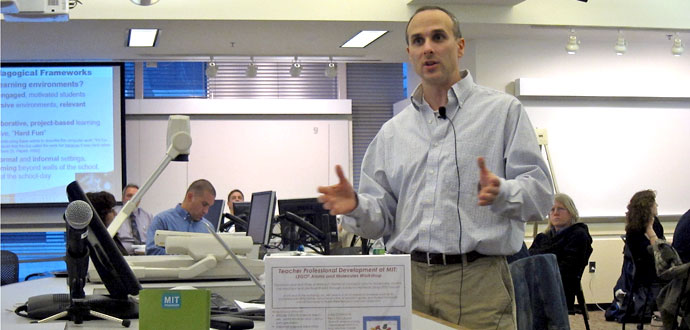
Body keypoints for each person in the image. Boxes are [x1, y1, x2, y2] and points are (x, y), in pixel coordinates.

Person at [317, 6, 553, 329]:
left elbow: (540, 196)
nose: (427, 47)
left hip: (478, 283)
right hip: (407, 281)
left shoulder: (503, 113)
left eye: (438, 37)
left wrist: (504, 192)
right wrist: (357, 207)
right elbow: (380, 219)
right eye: (418, 40)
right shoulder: (393, 132)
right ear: (410, 53)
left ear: (460, 46)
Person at [528, 193, 593, 312]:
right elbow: (527, 261)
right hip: (535, 283)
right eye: (552, 209)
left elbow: (569, 269)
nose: (555, 213)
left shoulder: (578, 235)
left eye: (560, 209)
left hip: (559, 287)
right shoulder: (542, 238)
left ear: (571, 212)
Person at [145, 179, 217, 255]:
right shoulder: (162, 221)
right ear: (190, 197)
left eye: (209, 207)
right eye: (204, 204)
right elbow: (152, 252)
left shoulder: (208, 228)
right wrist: (187, 257)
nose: (206, 211)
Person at [625, 190, 665, 288]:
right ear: (647, 207)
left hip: (658, 270)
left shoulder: (656, 223)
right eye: (654, 203)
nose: (657, 205)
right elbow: (657, 252)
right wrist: (650, 231)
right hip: (648, 276)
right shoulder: (634, 231)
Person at [86, 191, 128, 255]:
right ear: (102, 214)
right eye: (111, 210)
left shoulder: (108, 236)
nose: (115, 214)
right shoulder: (102, 241)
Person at [115, 183, 154, 255]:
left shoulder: (148, 216)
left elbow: (152, 240)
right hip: (123, 256)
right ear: (123, 198)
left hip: (144, 256)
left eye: (136, 196)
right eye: (129, 196)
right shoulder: (115, 216)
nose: (132, 199)